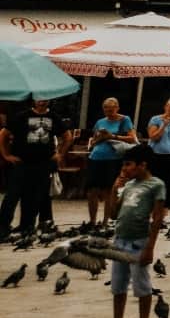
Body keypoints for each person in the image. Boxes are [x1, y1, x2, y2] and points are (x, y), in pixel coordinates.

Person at [97, 145, 165, 318]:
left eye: (128, 164)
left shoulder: (156, 185)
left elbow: (158, 217)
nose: (125, 169)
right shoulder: (127, 185)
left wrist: (150, 246)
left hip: (139, 241)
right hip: (120, 240)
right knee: (118, 286)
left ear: (142, 165)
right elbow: (113, 215)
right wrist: (114, 190)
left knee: (142, 286)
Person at [0, 95, 73, 236]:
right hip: (21, 162)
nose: (42, 102)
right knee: (12, 195)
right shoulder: (22, 116)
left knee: (33, 196)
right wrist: (6, 155)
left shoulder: (54, 117)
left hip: (43, 163)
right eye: (39, 99)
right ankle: (3, 226)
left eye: (45, 99)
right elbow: (3, 134)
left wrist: (60, 154)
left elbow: (67, 136)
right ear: (34, 101)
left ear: (49, 101)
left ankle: (27, 226)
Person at [85, 97, 138, 226]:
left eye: (112, 108)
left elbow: (132, 139)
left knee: (109, 190)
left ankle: (105, 220)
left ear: (117, 108)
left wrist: (112, 136)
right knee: (92, 191)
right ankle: (92, 221)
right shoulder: (100, 122)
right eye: (106, 109)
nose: (109, 111)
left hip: (113, 158)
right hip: (96, 157)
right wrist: (98, 139)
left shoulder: (124, 120)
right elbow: (93, 139)